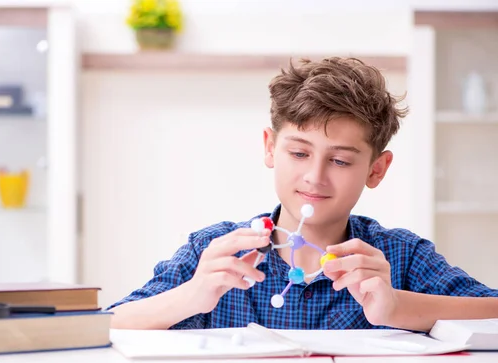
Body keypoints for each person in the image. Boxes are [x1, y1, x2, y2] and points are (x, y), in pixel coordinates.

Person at [107, 57, 498, 332]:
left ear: (376, 170)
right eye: (298, 153)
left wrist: (397, 306)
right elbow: (105, 324)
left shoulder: (402, 257)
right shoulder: (215, 252)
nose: (315, 177)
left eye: (341, 161)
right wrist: (192, 296)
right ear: (269, 149)